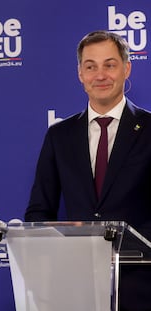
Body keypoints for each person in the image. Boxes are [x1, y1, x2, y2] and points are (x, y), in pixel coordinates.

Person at [25, 30, 151, 310]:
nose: (100, 75)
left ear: (126, 68)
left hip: (140, 286)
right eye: (90, 66)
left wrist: (120, 251)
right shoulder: (59, 136)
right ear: (80, 74)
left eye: (110, 64)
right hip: (75, 286)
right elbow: (38, 212)